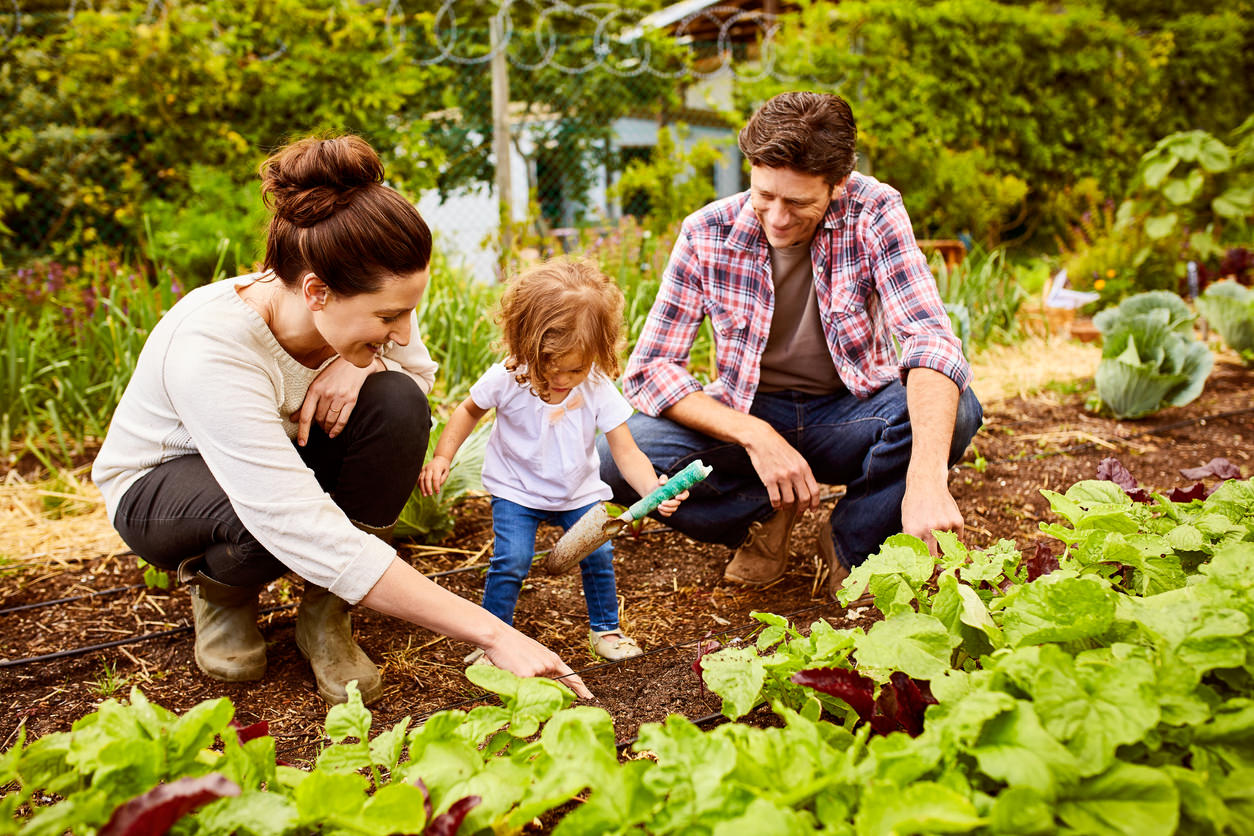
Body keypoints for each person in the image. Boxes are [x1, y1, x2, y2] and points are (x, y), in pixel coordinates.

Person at [92, 135, 591, 705]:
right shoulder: (213, 347)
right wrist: (492, 631)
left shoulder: (370, 298)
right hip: (163, 488)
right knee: (262, 520)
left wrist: (362, 364)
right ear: (316, 291)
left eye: (409, 312)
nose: (403, 331)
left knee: (399, 404)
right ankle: (224, 596)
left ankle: (326, 616)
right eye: (389, 317)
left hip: (278, 469)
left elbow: (415, 373)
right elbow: (288, 513)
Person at [598, 91, 983, 598]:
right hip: (748, 411)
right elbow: (651, 370)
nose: (777, 218)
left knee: (955, 412)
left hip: (852, 412)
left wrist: (927, 479)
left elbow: (929, 340)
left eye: (798, 202)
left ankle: (853, 541)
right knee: (616, 452)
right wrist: (756, 435)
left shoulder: (875, 210)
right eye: (764, 196)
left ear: (838, 183)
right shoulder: (705, 232)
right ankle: (760, 519)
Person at [419, 257, 685, 662]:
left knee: (597, 553)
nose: (561, 379)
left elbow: (626, 449)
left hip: (576, 491)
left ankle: (606, 632)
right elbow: (468, 410)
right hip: (516, 489)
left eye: (574, 369)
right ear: (526, 344)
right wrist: (442, 456)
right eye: (549, 366)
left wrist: (652, 488)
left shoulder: (595, 385)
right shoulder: (509, 376)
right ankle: (493, 640)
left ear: (598, 353)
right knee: (512, 559)